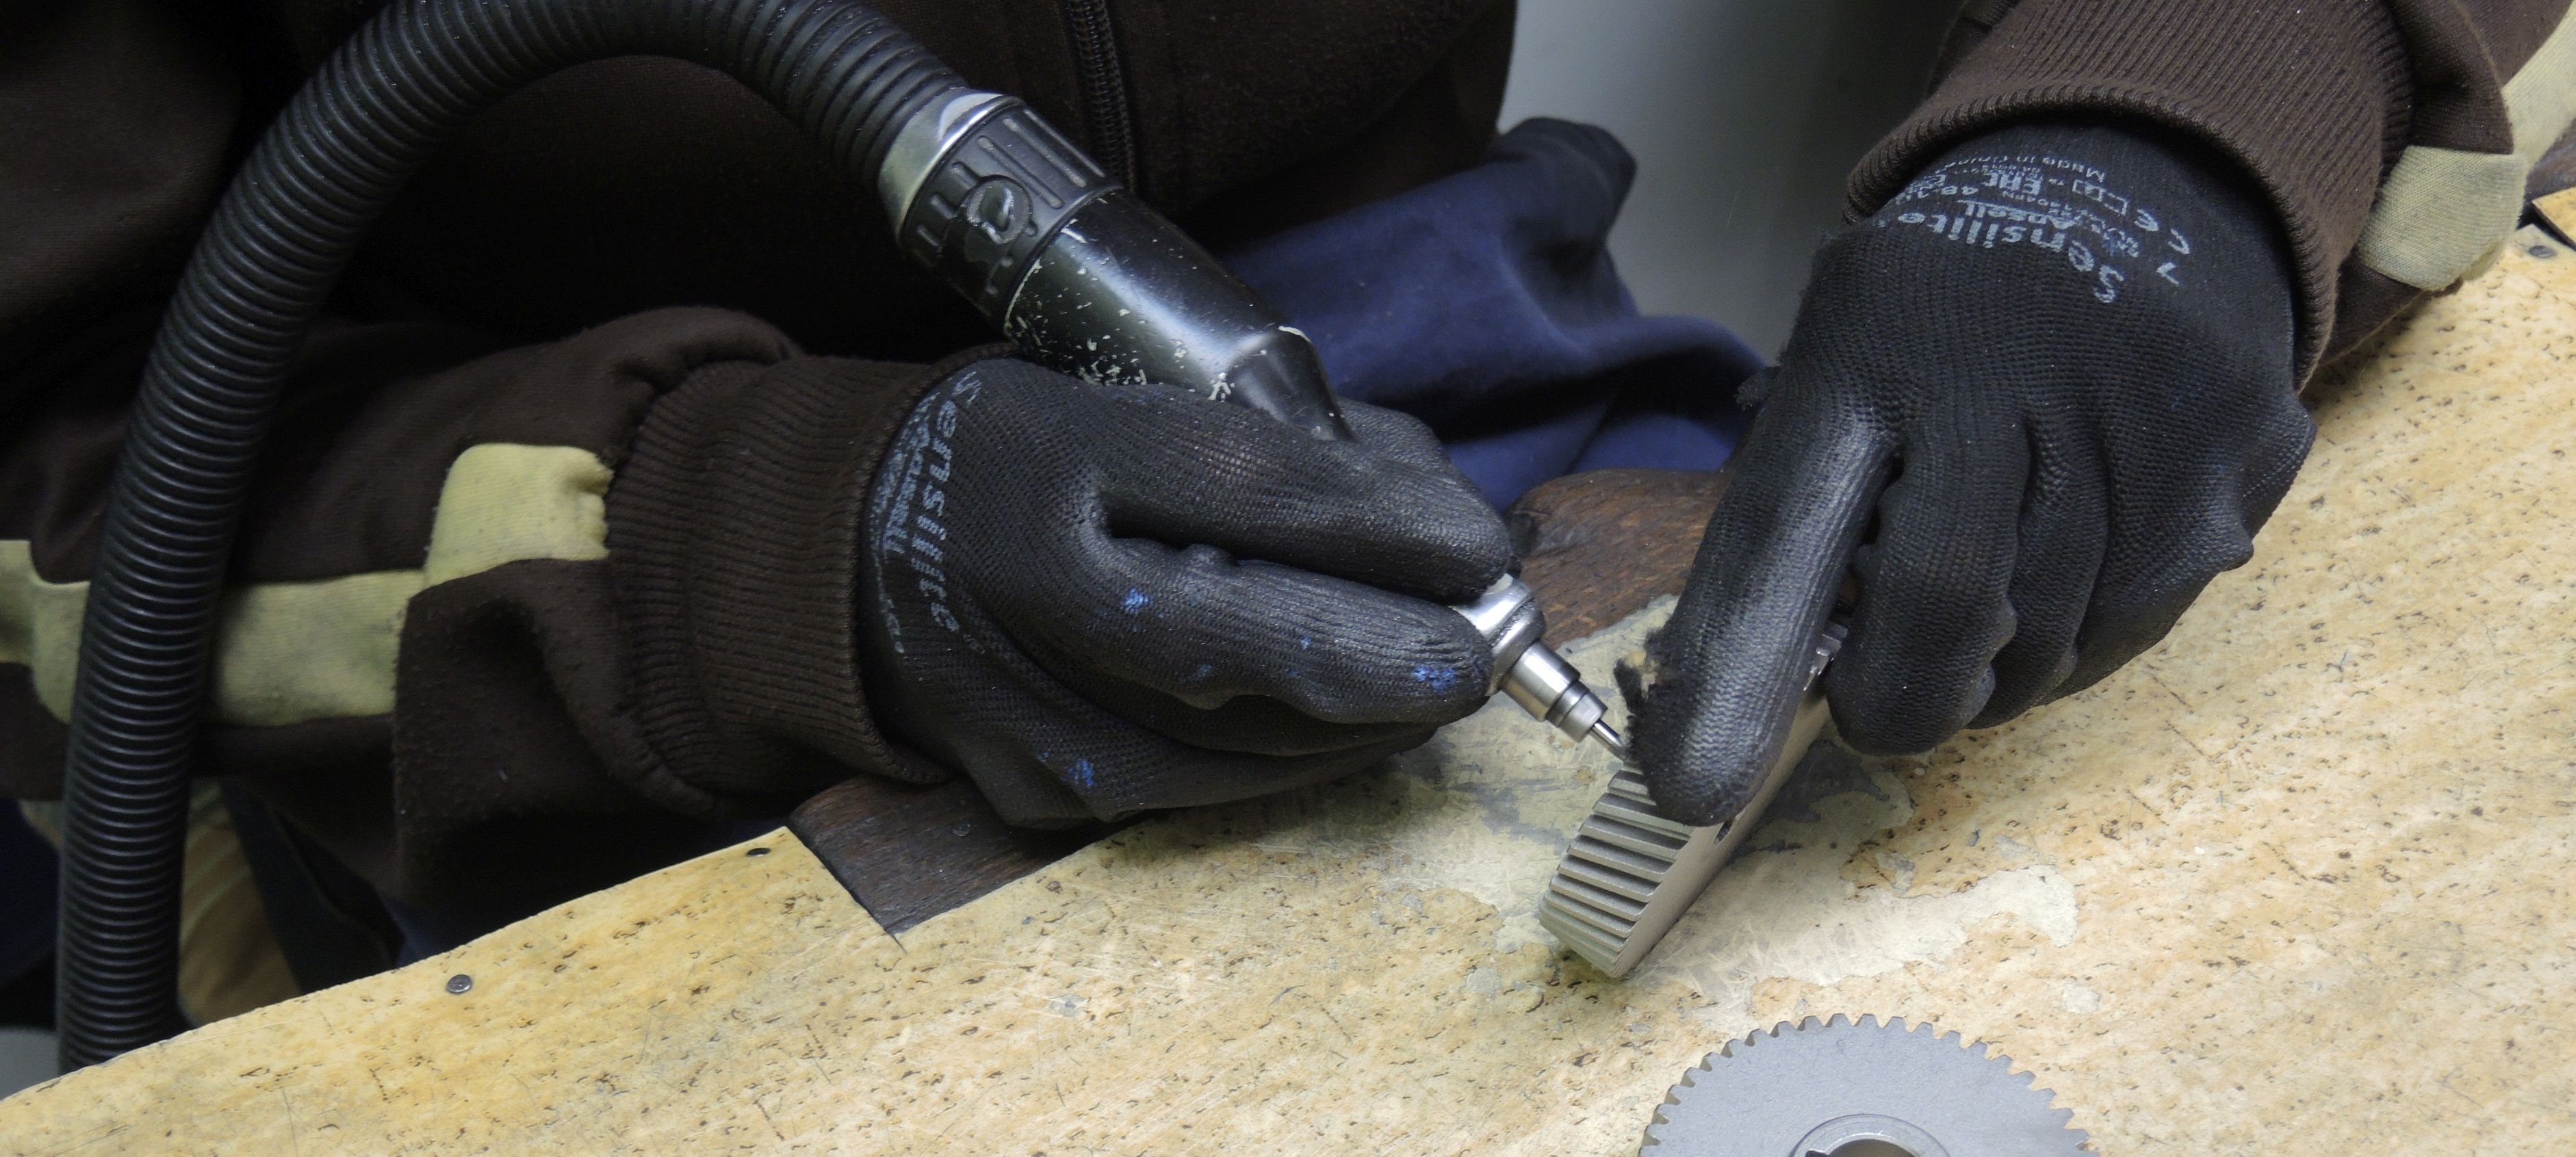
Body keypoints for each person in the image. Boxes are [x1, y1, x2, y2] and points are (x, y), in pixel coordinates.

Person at [1, 0, 2565, 991]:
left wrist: (2189, 122)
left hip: (1428, 329)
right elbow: (69, 478)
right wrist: (782, 545)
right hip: (547, 593)